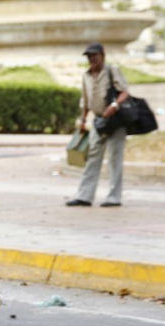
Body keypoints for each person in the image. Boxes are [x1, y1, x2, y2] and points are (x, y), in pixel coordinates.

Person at [66, 42, 130, 208]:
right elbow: (86, 101)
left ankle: (114, 197)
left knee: (115, 159)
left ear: (102, 56)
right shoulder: (86, 76)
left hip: (115, 120)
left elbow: (124, 91)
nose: (92, 59)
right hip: (98, 120)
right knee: (92, 157)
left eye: (95, 55)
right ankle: (84, 196)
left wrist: (114, 106)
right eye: (89, 56)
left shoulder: (111, 71)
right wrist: (83, 120)